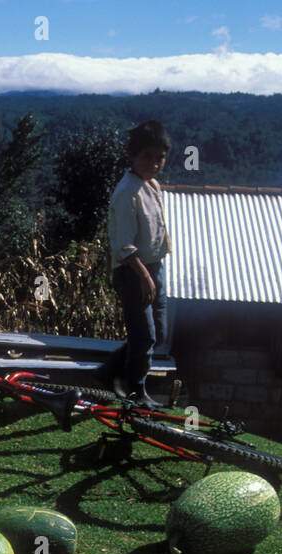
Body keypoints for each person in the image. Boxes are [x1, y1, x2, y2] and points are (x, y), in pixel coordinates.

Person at [107, 120, 172, 410]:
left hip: (153, 268)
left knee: (156, 331)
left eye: (160, 158)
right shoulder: (127, 192)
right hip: (133, 271)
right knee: (144, 334)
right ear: (132, 155)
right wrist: (146, 277)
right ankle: (136, 392)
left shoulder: (152, 185)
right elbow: (124, 246)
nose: (154, 164)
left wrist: (155, 273)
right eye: (148, 157)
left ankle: (108, 373)